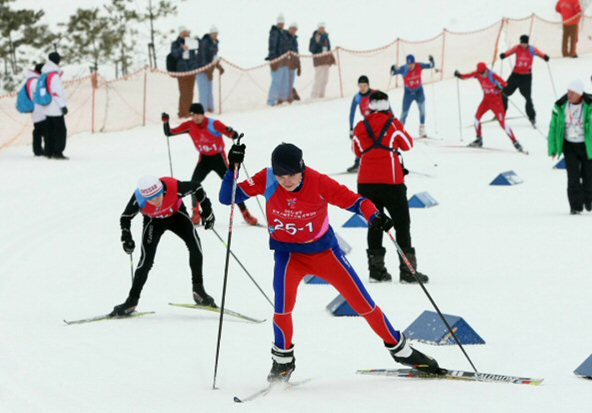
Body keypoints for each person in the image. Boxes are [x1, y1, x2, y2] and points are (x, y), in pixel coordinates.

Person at [219, 142, 443, 382]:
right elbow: (226, 197)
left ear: (302, 168)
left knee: (364, 304)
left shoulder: (318, 182)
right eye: (281, 175)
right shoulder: (268, 178)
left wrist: (373, 215)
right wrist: (233, 168)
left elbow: (357, 202)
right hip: (288, 256)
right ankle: (282, 362)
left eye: (292, 175)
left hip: (325, 254)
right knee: (282, 308)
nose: (286, 181)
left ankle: (401, 350)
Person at [352, 91, 429, 284]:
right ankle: (408, 271)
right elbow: (408, 144)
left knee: (374, 224)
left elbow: (357, 149)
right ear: (386, 105)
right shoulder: (393, 124)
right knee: (402, 224)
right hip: (391, 181)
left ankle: (376, 271)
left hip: (366, 182)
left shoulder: (361, 126)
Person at [112, 175, 217, 316]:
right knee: (145, 261)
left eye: (158, 196)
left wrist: (208, 210)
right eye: (150, 199)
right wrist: (126, 237)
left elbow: (196, 186)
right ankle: (131, 301)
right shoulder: (138, 198)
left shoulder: (175, 188)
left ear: (162, 190)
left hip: (177, 216)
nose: (155, 201)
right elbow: (125, 217)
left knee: (195, 247)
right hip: (153, 222)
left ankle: (198, 291)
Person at [162, 103, 259, 226]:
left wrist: (231, 132)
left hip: (218, 158)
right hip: (204, 159)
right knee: (194, 183)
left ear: (203, 114)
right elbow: (169, 133)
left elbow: (232, 134)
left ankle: (245, 213)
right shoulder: (189, 125)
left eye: (198, 114)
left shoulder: (213, 124)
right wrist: (166, 122)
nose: (196, 117)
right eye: (193, 115)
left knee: (231, 185)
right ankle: (196, 213)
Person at [548, 79, 592, 215]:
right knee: (573, 177)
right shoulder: (560, 106)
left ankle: (588, 198)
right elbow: (553, 127)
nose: (569, 95)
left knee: (590, 176)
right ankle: (575, 206)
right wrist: (553, 147)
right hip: (569, 146)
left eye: (572, 92)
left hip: (588, 146)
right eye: (568, 92)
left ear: (580, 93)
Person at [454, 62, 525, 153]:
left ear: (486, 70)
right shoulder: (478, 74)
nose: (482, 75)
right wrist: (459, 75)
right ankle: (479, 139)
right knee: (476, 118)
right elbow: (467, 76)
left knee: (502, 123)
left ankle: (515, 142)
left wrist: (500, 87)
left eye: (483, 73)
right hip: (486, 101)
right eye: (480, 73)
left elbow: (505, 84)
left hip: (496, 103)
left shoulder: (492, 75)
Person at [499, 35, 550, 127]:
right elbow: (509, 52)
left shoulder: (532, 49)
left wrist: (545, 57)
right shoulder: (517, 48)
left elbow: (539, 53)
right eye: (522, 43)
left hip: (526, 77)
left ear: (527, 43)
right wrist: (504, 55)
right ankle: (502, 112)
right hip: (515, 75)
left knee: (528, 98)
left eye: (525, 43)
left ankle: (532, 117)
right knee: (504, 92)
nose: (523, 45)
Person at [390, 54, 435, 138]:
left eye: (412, 64)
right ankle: (399, 131)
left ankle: (422, 129)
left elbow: (431, 66)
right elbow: (393, 73)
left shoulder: (419, 65)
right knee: (404, 112)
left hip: (419, 91)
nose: (410, 66)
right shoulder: (404, 68)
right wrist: (393, 68)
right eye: (408, 64)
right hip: (408, 93)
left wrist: (432, 60)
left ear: (414, 63)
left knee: (422, 111)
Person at [41, 52, 68, 159]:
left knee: (49, 130)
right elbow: (56, 92)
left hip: (46, 105)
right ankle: (58, 152)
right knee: (61, 130)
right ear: (56, 60)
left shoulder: (44, 73)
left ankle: (48, 151)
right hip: (55, 107)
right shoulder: (54, 75)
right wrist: (62, 105)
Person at [347, 75, 376, 173]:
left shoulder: (375, 93)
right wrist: (351, 128)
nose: (362, 88)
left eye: (364, 86)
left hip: (377, 121)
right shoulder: (357, 97)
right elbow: (352, 113)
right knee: (358, 137)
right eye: (360, 86)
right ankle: (357, 162)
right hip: (367, 122)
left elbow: (387, 107)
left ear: (368, 85)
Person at [170, 26, 199, 118]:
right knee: (184, 92)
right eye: (183, 33)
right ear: (180, 34)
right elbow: (174, 54)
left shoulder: (192, 41)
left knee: (190, 92)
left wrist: (196, 41)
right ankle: (184, 112)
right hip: (181, 71)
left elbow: (196, 53)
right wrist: (182, 49)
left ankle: (185, 111)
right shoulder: (175, 43)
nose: (185, 34)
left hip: (191, 70)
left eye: (186, 32)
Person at [197, 25, 224, 113]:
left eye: (216, 34)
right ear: (210, 34)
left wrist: (218, 66)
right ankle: (203, 110)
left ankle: (210, 107)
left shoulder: (215, 43)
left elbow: (214, 57)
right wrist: (206, 69)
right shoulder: (205, 42)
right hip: (201, 69)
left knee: (209, 89)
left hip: (209, 69)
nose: (215, 35)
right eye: (214, 34)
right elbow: (203, 56)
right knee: (203, 90)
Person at [23, 63, 46, 156]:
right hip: (39, 109)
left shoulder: (31, 80)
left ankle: (38, 149)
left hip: (36, 109)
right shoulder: (36, 81)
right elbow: (40, 94)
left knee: (38, 129)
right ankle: (38, 150)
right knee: (41, 130)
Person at [266, 14, 289, 106]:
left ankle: (281, 99)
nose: (281, 24)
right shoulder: (274, 32)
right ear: (277, 23)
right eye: (280, 23)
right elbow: (272, 46)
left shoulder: (283, 33)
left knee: (283, 80)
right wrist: (273, 59)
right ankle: (271, 101)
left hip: (283, 60)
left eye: (282, 23)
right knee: (276, 81)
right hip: (276, 60)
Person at [309, 22, 335, 99]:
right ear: (318, 28)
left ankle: (321, 95)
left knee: (325, 79)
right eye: (320, 28)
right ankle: (314, 96)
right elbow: (311, 49)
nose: (322, 29)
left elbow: (329, 48)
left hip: (326, 60)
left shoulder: (326, 37)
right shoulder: (314, 37)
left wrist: (330, 58)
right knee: (318, 78)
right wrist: (316, 42)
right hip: (318, 61)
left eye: (323, 28)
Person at [282, 22, 301, 103]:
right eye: (292, 28)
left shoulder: (295, 39)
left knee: (291, 80)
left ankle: (290, 96)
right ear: (289, 28)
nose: (294, 30)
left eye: (295, 29)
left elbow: (296, 52)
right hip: (286, 62)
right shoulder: (285, 36)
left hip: (293, 63)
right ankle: (284, 97)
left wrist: (299, 64)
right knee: (285, 80)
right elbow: (284, 48)